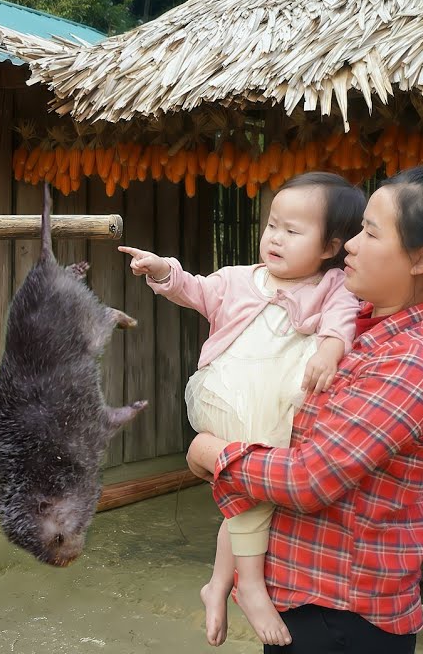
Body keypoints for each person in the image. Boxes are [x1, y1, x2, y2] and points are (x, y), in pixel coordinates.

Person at [186, 164, 423, 653]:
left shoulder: (416, 360)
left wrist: (211, 450)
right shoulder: (350, 328)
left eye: (369, 232)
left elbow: (309, 478)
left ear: (421, 259)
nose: (350, 246)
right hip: (305, 600)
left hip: (343, 619)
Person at [119, 172, 366, 647]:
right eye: (273, 225)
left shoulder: (333, 285)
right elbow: (193, 289)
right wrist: (161, 270)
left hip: (280, 405)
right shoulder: (236, 280)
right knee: (257, 485)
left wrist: (330, 351)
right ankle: (249, 586)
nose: (275, 237)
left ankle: (218, 584)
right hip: (230, 396)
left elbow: (342, 322)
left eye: (293, 232)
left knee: (246, 490)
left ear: (332, 245)